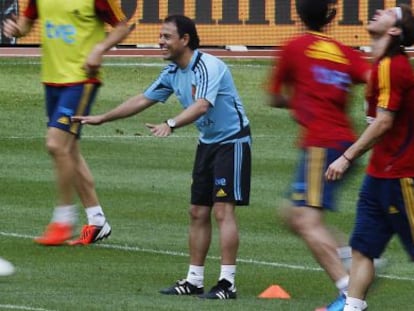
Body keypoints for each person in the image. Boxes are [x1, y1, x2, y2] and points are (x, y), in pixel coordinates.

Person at [72, 14, 252, 299]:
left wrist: (170, 124)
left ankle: (227, 283)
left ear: (185, 40)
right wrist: (103, 118)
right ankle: (194, 280)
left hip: (233, 142)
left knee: (222, 210)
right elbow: (143, 99)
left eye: (167, 36)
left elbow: (202, 106)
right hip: (208, 143)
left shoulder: (208, 66)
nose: (160, 41)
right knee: (197, 212)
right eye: (160, 36)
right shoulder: (172, 72)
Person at [267, 0, 371, 310]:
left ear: (297, 14)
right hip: (344, 143)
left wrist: (299, 100)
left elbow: (273, 96)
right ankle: (360, 261)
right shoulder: (344, 51)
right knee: (290, 214)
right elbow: (373, 80)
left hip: (321, 144)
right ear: (331, 16)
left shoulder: (294, 47)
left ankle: (347, 293)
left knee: (306, 221)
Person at [3, 0, 132, 245]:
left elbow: (122, 27)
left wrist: (99, 49)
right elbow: (26, 24)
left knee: (56, 145)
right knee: (69, 150)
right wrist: (16, 30)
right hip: (52, 80)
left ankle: (63, 219)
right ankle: (97, 221)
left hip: (81, 79)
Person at [325, 4, 414, 311]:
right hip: (379, 175)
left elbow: (384, 121)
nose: (379, 10)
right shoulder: (379, 64)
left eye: (389, 12)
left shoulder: (393, 65)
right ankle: (353, 306)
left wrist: (346, 157)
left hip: (402, 175)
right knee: (364, 248)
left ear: (395, 31)